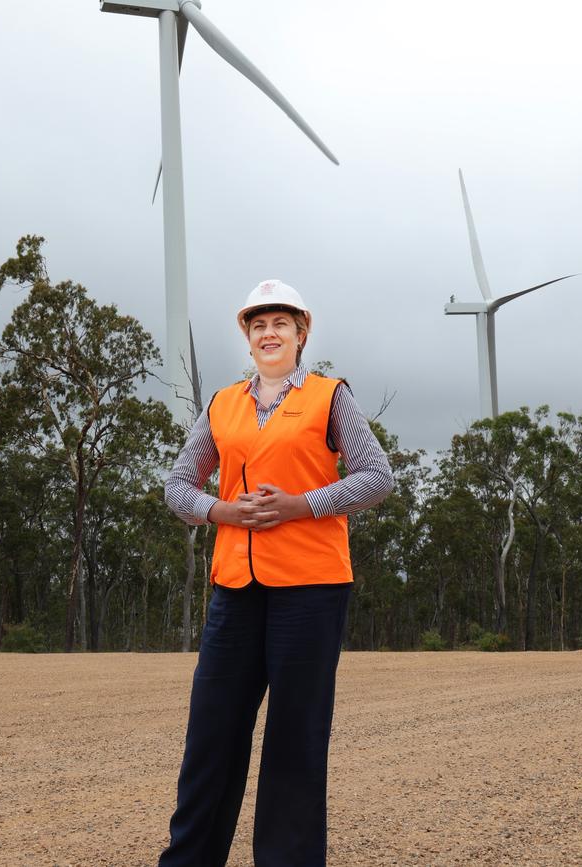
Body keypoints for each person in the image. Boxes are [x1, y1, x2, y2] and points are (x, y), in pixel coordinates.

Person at [158, 279, 394, 867]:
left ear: (301, 333)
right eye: (258, 324)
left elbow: (378, 476)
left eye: (280, 324)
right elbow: (176, 484)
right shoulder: (222, 404)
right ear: (246, 334)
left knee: (294, 741)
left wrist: (301, 503)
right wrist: (220, 510)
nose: (269, 333)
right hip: (235, 588)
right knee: (212, 736)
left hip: (311, 591)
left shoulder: (328, 396)